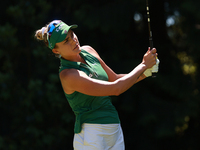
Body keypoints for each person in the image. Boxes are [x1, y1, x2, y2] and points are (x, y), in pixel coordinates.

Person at [35, 20, 159, 150]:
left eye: (72, 35)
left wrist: (146, 72)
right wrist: (143, 65)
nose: (73, 40)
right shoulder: (68, 75)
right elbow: (116, 89)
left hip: (114, 129)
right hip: (91, 134)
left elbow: (115, 79)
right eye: (66, 41)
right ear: (55, 50)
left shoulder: (88, 50)